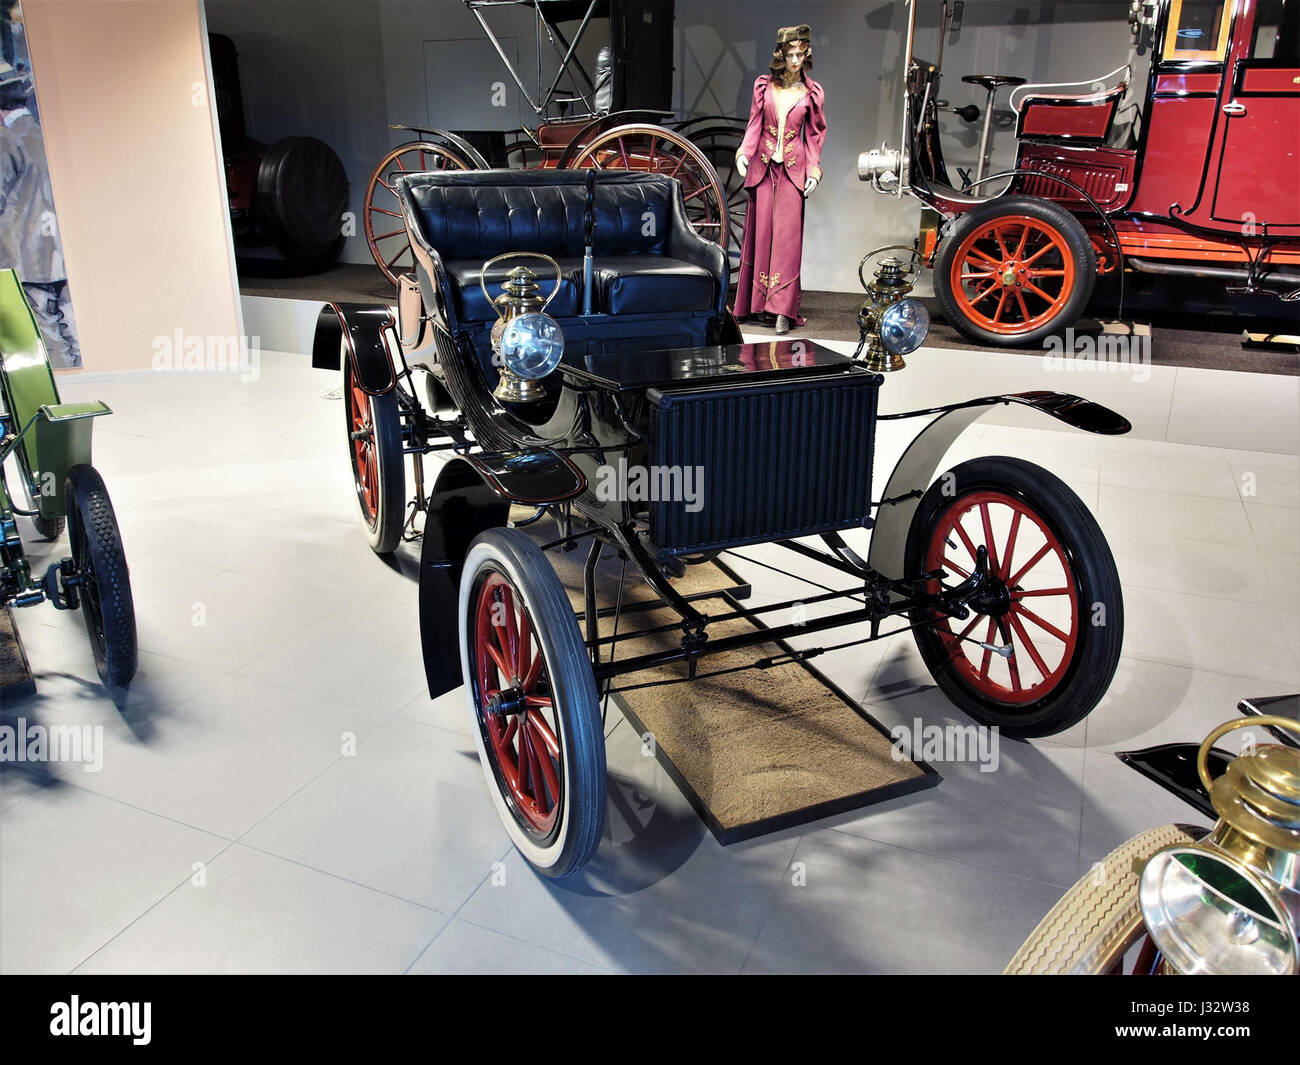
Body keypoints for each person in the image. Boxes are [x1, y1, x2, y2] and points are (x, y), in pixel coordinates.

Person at [733, 24, 827, 335]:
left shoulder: (811, 93)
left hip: (793, 170)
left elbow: (814, 136)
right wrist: (743, 153)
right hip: (763, 167)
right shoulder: (764, 87)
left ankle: (783, 311)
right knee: (761, 237)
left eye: (801, 54)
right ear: (781, 55)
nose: (796, 60)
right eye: (791, 54)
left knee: (787, 242)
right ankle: (757, 306)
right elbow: (755, 124)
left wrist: (813, 170)